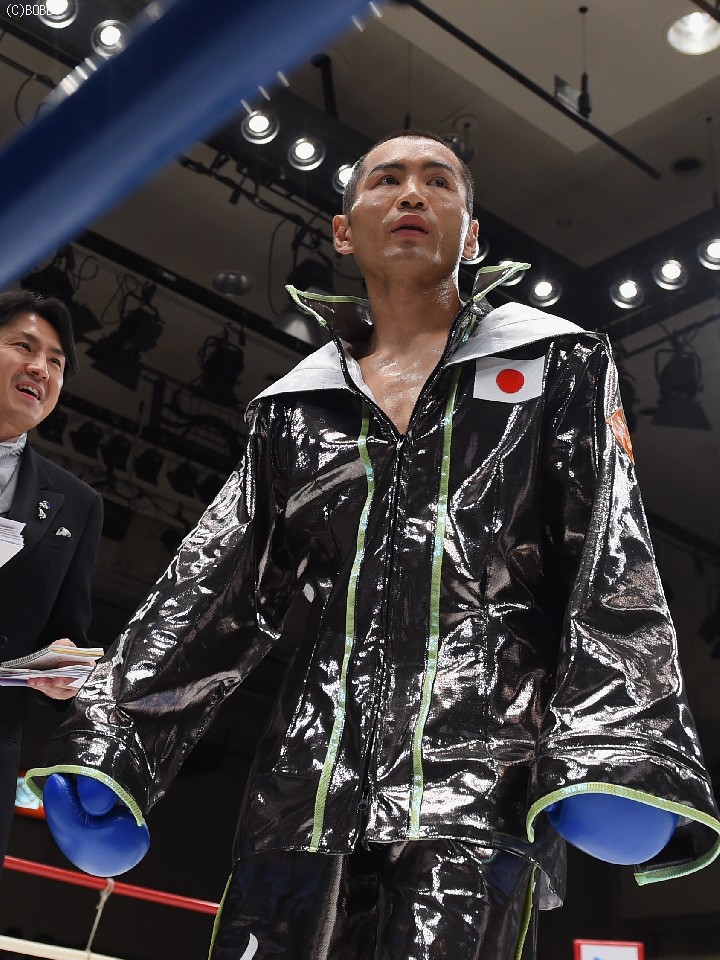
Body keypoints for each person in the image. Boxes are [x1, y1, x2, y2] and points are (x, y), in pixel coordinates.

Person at [27, 133, 720, 960]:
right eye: (387, 179)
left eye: (439, 182)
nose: (412, 194)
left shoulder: (555, 360)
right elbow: (213, 586)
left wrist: (616, 741)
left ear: (473, 235)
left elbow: (610, 549)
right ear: (344, 230)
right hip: (302, 786)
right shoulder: (294, 408)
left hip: (478, 781)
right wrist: (111, 740)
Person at [0, 290, 103, 885]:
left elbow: (68, 636)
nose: (41, 368)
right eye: (24, 346)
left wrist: (65, 674)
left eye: (56, 362)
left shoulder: (77, 502)